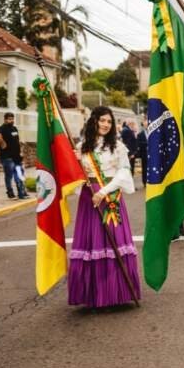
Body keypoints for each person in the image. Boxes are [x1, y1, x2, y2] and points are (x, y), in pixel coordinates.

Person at [69, 106, 141, 307]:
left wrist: (103, 192)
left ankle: (117, 293)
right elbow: (75, 175)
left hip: (110, 197)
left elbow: (124, 172)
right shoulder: (82, 147)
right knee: (92, 243)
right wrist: (75, 162)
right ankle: (93, 295)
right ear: (94, 121)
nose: (106, 125)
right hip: (89, 199)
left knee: (114, 241)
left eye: (109, 121)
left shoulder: (118, 147)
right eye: (102, 120)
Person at [0, 112, 29, 200]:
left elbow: (17, 141)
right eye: (9, 119)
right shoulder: (2, 128)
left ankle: (21, 193)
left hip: (16, 156)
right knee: (9, 176)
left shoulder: (14, 128)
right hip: (7, 157)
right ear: (5, 120)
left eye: (12, 119)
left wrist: (20, 152)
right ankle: (10, 193)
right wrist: (2, 143)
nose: (12, 120)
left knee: (19, 174)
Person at [136, 118, 148, 187]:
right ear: (143, 125)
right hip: (144, 154)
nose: (147, 126)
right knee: (144, 169)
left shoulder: (153, 133)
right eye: (145, 125)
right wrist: (147, 143)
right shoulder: (140, 134)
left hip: (152, 155)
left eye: (148, 124)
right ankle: (145, 182)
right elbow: (139, 144)